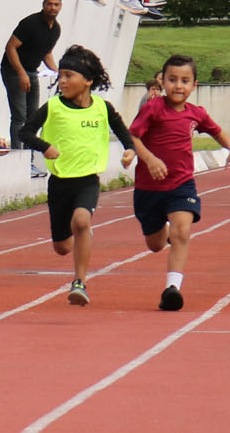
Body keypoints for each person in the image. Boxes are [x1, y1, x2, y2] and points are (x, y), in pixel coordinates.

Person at [20, 45, 154, 307]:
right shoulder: (53, 107)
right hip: (59, 183)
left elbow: (125, 134)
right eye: (61, 76)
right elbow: (24, 133)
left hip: (87, 180)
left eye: (69, 76)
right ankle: (80, 236)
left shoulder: (103, 108)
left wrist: (129, 151)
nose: (63, 81)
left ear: (88, 81)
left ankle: (79, 282)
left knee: (82, 221)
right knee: (62, 247)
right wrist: (45, 147)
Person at [128, 55, 230, 312]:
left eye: (184, 81)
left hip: (182, 184)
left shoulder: (197, 113)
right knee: (156, 244)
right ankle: (165, 229)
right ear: (162, 82)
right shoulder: (152, 109)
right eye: (172, 80)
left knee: (182, 231)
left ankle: (172, 289)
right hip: (149, 189)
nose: (178, 86)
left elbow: (217, 132)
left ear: (195, 85)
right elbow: (133, 137)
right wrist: (149, 159)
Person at [0, 0, 62, 149]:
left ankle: (28, 158)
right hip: (14, 71)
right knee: (19, 116)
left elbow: (46, 53)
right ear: (43, 5)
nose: (52, 8)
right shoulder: (30, 23)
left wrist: (60, 73)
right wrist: (21, 72)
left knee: (33, 118)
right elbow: (11, 47)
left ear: (60, 6)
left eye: (56, 5)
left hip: (32, 72)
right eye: (49, 4)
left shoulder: (56, 29)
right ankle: (17, 155)